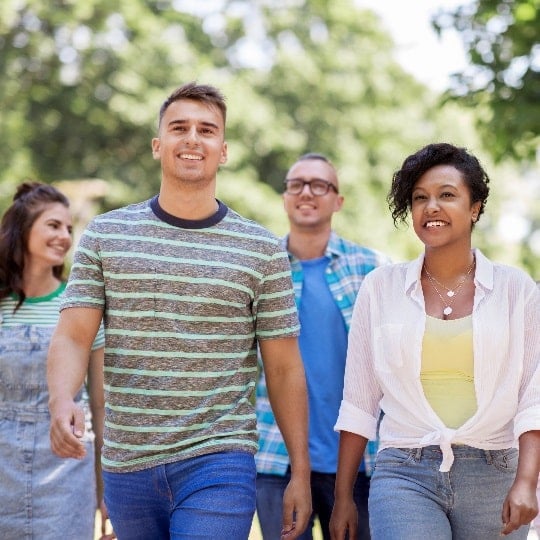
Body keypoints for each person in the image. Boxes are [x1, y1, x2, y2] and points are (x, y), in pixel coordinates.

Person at [47, 82, 312, 540]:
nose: (193, 139)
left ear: (223, 150)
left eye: (206, 130)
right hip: (128, 462)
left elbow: (285, 367)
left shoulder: (262, 250)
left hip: (220, 458)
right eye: (179, 128)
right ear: (158, 145)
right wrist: (61, 398)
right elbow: (73, 335)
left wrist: (300, 473)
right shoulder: (106, 236)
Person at [330, 143, 540, 539]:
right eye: (420, 198)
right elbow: (359, 400)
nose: (432, 207)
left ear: (475, 207)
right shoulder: (380, 288)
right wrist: (344, 497)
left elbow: (535, 395)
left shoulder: (517, 290)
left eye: (447, 195)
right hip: (404, 470)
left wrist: (528, 480)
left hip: (495, 472)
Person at [255, 153, 391, 540]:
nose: (306, 193)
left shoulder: (374, 270)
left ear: (338, 200)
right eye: (296, 184)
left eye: (320, 185)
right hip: (274, 458)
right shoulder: (262, 270)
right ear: (285, 197)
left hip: (358, 462)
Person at [0, 182, 106, 540]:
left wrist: (107, 490)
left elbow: (101, 404)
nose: (64, 236)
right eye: (53, 225)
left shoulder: (82, 309)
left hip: (67, 472)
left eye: (69, 229)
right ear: (23, 230)